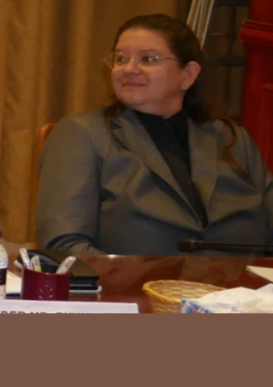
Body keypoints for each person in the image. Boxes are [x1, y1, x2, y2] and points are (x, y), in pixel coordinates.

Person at [37, 14, 273, 256]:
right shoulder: (83, 135)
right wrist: (125, 278)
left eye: (148, 59)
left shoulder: (232, 140)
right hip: (131, 281)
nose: (129, 69)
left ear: (188, 74)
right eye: (121, 59)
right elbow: (65, 245)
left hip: (244, 280)